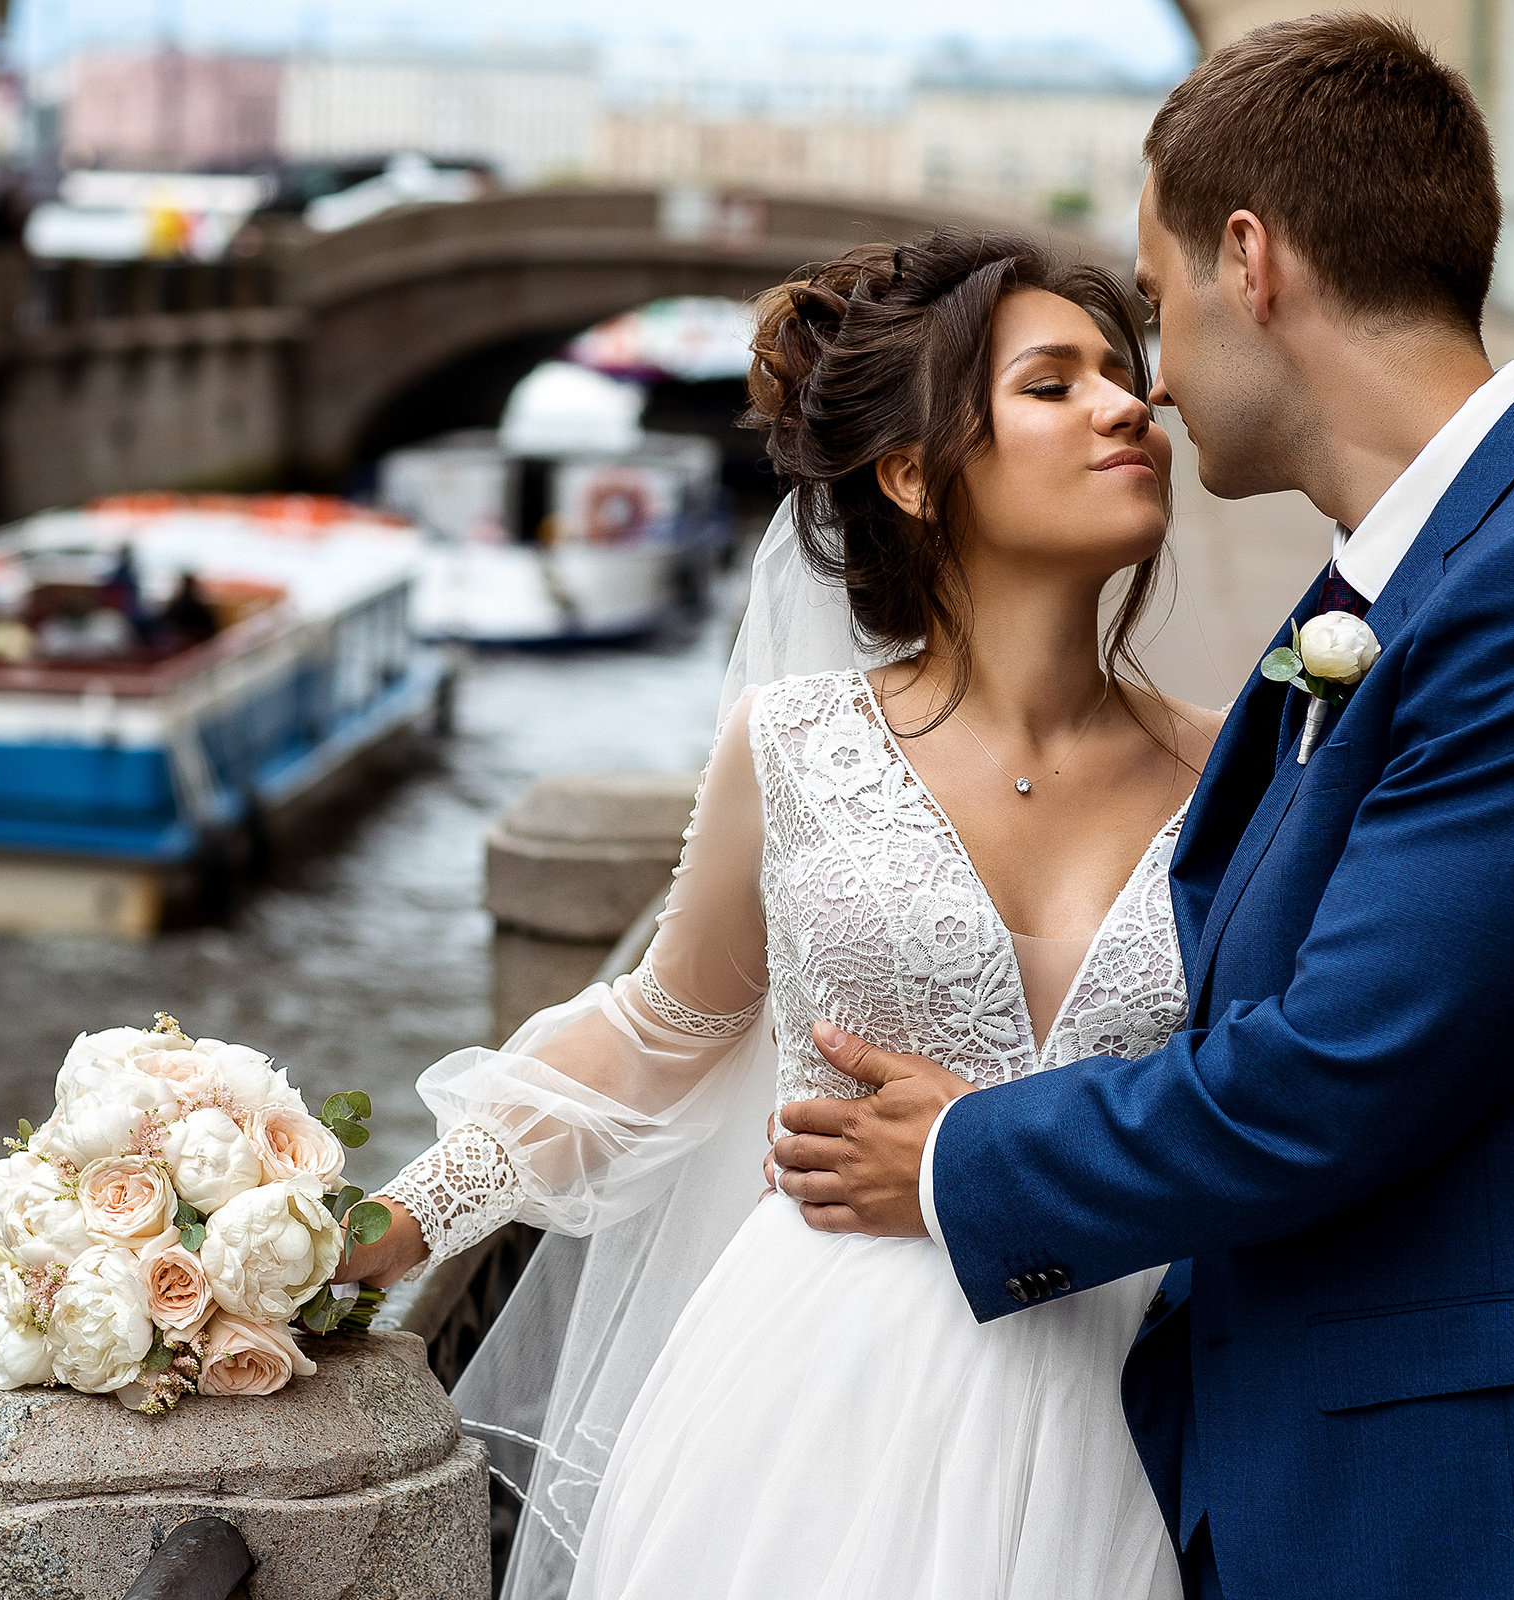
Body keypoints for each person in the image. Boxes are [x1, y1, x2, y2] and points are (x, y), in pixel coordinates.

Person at [768, 17, 1514, 1600]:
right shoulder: (1414, 574)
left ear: (1250, 263)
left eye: (1155, 304)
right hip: (1389, 1474)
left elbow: (1338, 1069)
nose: (1157, 379)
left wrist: (966, 1157)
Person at [334, 230, 1217, 1598]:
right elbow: (661, 1028)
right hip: (819, 1403)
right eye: (1055, 384)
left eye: (1124, 371)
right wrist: (388, 1227)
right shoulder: (793, 745)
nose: (1128, 405)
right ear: (917, 474)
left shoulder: (1250, 769)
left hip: (1149, 1394)